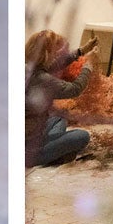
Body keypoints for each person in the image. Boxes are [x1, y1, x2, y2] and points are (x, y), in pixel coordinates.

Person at [24, 29, 95, 167]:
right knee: (82, 136)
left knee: (59, 118)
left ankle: (55, 149)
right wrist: (88, 66)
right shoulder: (44, 80)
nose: (57, 56)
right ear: (46, 54)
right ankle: (51, 154)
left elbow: (53, 66)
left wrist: (81, 51)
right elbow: (75, 89)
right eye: (54, 53)